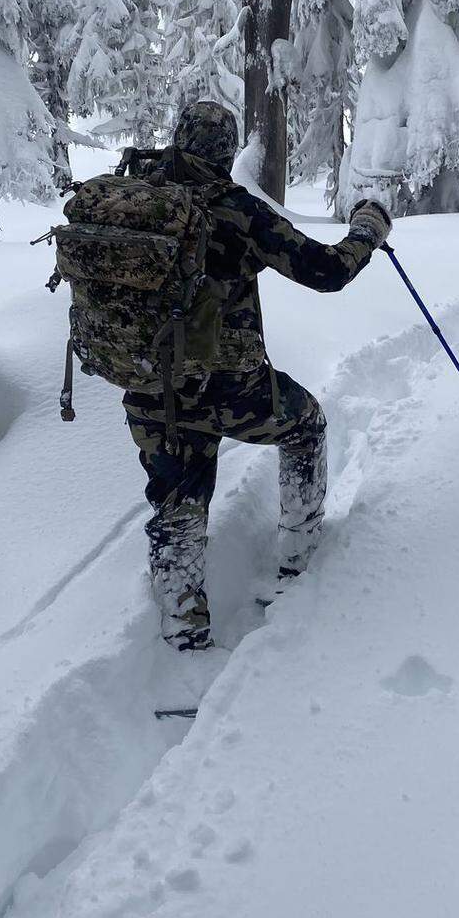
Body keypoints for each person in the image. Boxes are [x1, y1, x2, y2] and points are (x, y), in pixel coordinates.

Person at [123, 100, 391, 651]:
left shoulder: (134, 194)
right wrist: (366, 231)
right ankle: (297, 550)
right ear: (226, 151)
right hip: (229, 388)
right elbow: (326, 271)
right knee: (306, 424)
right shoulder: (236, 210)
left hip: (149, 385)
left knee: (178, 504)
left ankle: (183, 635)